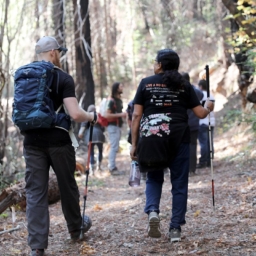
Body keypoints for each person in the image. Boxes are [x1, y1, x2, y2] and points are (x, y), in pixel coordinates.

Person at [22, 36, 97, 256]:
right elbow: (74, 113)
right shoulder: (62, 77)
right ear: (53, 52)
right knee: (67, 186)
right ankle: (75, 229)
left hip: (32, 142)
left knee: (35, 192)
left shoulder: (25, 75)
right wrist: (91, 116)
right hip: (58, 141)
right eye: (60, 52)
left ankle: (37, 247)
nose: (60, 56)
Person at [130, 49, 214, 243]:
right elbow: (201, 113)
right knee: (179, 183)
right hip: (179, 138)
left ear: (159, 64)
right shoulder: (184, 85)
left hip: (152, 137)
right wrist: (209, 105)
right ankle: (175, 228)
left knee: (154, 177)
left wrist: (134, 144)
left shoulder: (145, 83)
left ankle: (153, 211)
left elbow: (136, 116)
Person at [181, 72, 203, 175]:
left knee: (182, 146)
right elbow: (202, 95)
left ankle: (184, 168)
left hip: (182, 123)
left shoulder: (180, 91)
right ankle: (192, 169)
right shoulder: (196, 91)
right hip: (194, 122)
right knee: (193, 145)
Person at [105, 82, 127, 175]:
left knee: (115, 147)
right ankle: (111, 168)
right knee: (114, 147)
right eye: (121, 86)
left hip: (117, 127)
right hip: (112, 126)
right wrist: (121, 115)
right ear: (116, 88)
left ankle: (112, 166)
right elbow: (107, 115)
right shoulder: (111, 100)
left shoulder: (119, 100)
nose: (122, 87)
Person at [78, 104, 105, 174]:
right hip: (99, 135)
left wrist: (80, 133)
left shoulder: (87, 116)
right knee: (100, 151)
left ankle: (92, 169)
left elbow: (83, 125)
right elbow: (103, 127)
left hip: (90, 135)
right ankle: (99, 166)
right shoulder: (98, 116)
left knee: (91, 152)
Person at [197, 79, 215, 168]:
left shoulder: (199, 95)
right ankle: (210, 160)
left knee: (203, 143)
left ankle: (203, 161)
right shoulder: (211, 95)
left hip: (202, 121)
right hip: (211, 121)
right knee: (210, 142)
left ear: (200, 86)